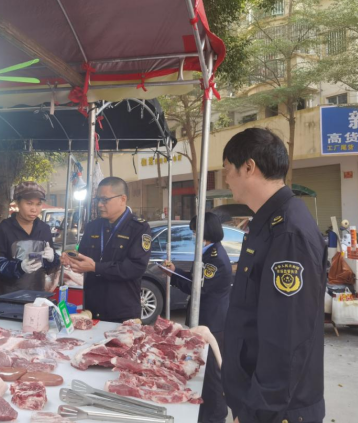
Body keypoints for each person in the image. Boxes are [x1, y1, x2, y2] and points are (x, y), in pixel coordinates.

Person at [221, 128, 327, 423]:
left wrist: (257, 413)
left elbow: (287, 337)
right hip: (256, 401)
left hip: (275, 411)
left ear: (248, 167)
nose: (225, 179)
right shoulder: (268, 223)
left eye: (227, 169)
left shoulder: (288, 232)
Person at [164, 212, 231, 423]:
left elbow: (199, 288)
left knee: (212, 374)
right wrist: (175, 271)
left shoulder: (215, 259)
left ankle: (216, 416)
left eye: (195, 231)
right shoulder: (207, 252)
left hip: (212, 322)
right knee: (204, 371)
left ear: (206, 231)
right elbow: (195, 279)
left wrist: (174, 277)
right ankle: (205, 413)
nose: (193, 235)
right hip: (206, 318)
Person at [61, 176, 152, 322]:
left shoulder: (139, 228)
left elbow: (135, 268)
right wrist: (71, 259)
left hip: (122, 311)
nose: (99, 205)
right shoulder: (93, 226)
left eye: (104, 200)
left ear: (122, 199)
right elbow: (83, 257)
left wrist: (96, 267)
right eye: (97, 200)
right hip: (92, 308)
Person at [0, 181, 60, 297]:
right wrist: (20, 267)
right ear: (17, 203)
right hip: (8, 296)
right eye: (29, 203)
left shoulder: (44, 229)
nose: (34, 209)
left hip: (37, 295)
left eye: (38, 204)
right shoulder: (3, 229)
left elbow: (50, 269)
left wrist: (52, 259)